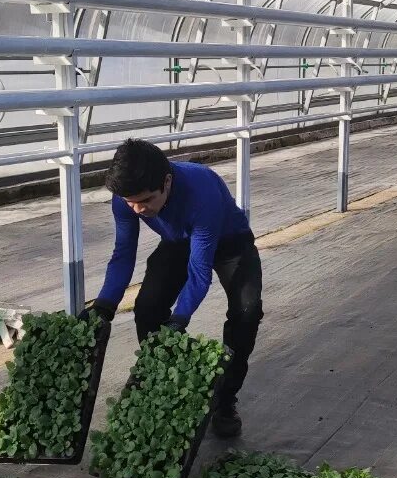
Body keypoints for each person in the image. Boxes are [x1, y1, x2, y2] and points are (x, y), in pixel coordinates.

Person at [83, 139, 263, 439]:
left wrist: (180, 319)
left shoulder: (201, 190)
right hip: (179, 242)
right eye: (131, 203)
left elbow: (199, 269)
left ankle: (224, 400)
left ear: (166, 181)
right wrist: (105, 304)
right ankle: (157, 379)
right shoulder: (126, 199)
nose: (139, 209)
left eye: (146, 200)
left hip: (230, 243)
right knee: (148, 307)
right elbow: (123, 253)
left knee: (247, 313)